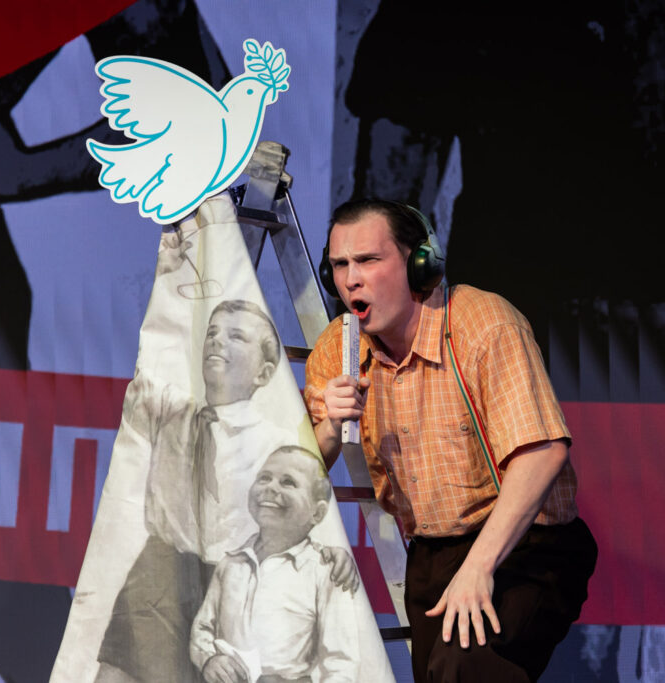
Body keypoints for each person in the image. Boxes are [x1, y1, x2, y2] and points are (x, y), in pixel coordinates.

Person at [305, 199, 598, 682]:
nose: (351, 279)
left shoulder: (482, 323)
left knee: (464, 667)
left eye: (369, 260)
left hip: (527, 544)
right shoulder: (339, 347)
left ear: (420, 265)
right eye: (339, 265)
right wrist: (331, 428)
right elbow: (301, 469)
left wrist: (479, 568)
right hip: (432, 553)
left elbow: (543, 453)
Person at [98, 300, 356, 682]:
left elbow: (304, 497)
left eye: (236, 336)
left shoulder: (277, 440)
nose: (217, 342)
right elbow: (152, 368)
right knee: (118, 675)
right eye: (212, 333)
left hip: (233, 577)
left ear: (264, 372)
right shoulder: (168, 409)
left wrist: (329, 553)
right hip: (162, 570)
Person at [190, 446, 360, 682]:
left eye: (288, 482)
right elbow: (202, 629)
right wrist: (209, 659)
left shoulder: (325, 571)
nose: (270, 487)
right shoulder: (230, 565)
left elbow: (340, 662)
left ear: (317, 513)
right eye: (264, 478)